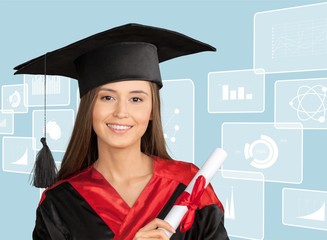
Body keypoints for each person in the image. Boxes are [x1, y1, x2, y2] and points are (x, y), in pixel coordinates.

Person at [15, 23, 229, 240]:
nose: (121, 112)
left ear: (152, 110)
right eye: (107, 97)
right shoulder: (60, 203)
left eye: (136, 99)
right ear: (89, 109)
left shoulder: (189, 185)